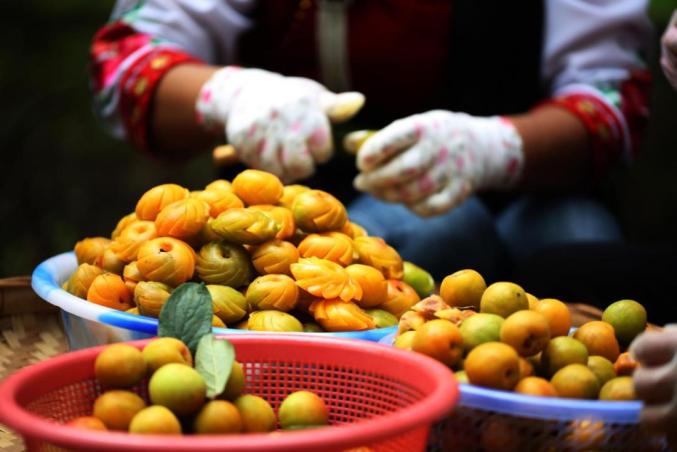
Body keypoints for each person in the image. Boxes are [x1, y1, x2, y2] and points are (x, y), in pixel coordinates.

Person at [89, 0, 651, 281]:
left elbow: (614, 98)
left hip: (544, 192)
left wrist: (495, 148)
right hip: (301, 213)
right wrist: (229, 96)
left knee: (584, 251)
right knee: (432, 234)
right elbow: (128, 64)